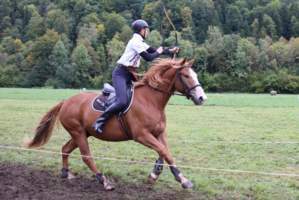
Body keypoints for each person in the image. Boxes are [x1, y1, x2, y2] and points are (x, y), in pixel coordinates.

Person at [93, 19, 179, 134]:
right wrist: (160, 50)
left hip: (130, 74)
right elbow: (149, 57)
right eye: (146, 30)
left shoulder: (140, 42)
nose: (147, 32)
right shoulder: (135, 42)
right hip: (121, 74)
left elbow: (153, 50)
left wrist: (170, 50)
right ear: (141, 30)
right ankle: (99, 121)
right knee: (122, 101)